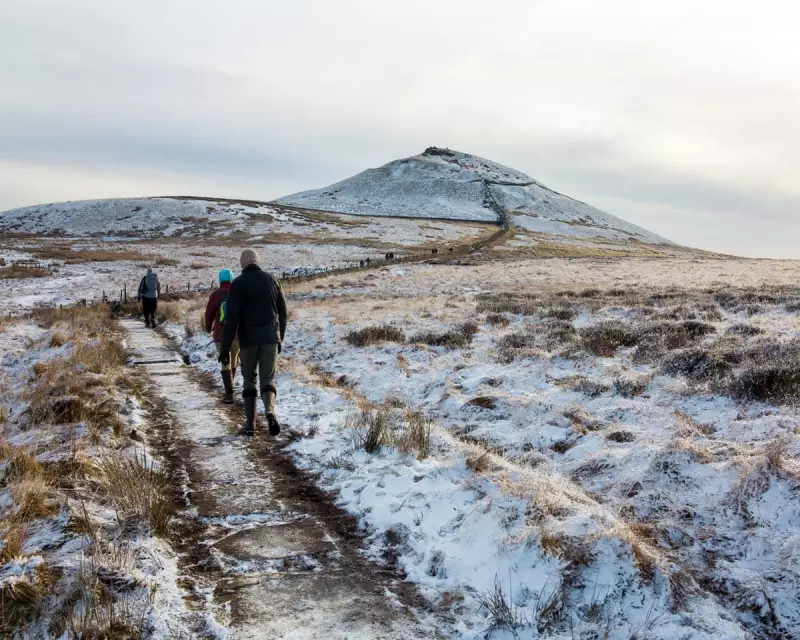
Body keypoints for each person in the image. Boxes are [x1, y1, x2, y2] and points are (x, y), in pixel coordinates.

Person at [219, 249, 287, 436]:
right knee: (268, 378)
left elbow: (231, 319)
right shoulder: (273, 280)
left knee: (250, 379)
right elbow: (283, 313)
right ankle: (270, 411)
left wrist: (225, 348)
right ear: (257, 261)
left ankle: (250, 424)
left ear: (243, 263)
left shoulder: (238, 284)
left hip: (248, 340)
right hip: (270, 338)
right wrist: (280, 337)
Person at [205, 268, 239, 404]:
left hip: (221, 335)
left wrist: (208, 328)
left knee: (225, 361)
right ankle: (231, 386)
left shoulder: (216, 295)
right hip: (238, 334)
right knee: (234, 360)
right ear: (232, 279)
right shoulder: (239, 293)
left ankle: (229, 394)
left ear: (220, 279)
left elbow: (209, 314)